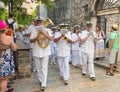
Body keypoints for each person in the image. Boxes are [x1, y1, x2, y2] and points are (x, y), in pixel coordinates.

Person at [30, 17, 52, 91]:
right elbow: (30, 40)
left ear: (43, 23)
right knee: (38, 68)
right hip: (36, 51)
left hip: (45, 51)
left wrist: (44, 33)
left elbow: (50, 39)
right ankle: (41, 80)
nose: (39, 24)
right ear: (36, 23)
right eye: (38, 22)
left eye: (41, 22)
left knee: (44, 68)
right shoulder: (34, 30)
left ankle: (44, 83)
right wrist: (36, 38)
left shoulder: (48, 30)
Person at [0, 20, 17, 92]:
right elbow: (14, 48)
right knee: (4, 78)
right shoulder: (8, 34)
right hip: (4, 60)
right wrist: (11, 39)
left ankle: (5, 88)